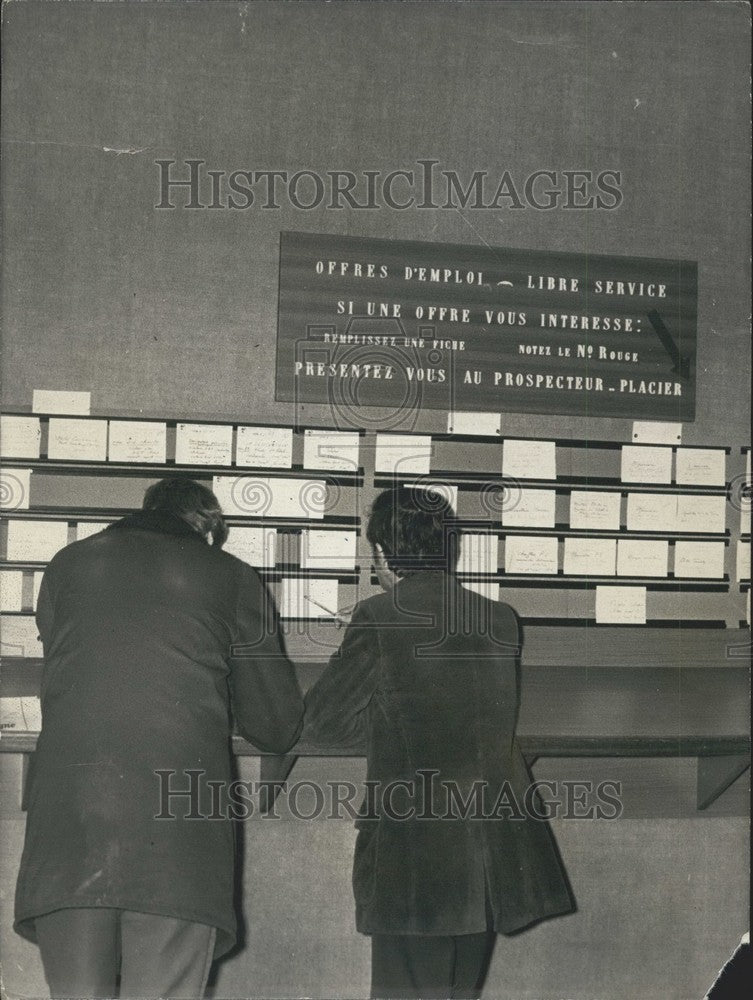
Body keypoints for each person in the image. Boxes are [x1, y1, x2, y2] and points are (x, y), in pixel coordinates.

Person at [14, 477, 304, 999]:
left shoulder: (66, 565)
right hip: (177, 838)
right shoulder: (232, 576)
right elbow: (276, 725)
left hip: (69, 830)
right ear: (206, 527)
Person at [302, 486, 575, 1000]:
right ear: (449, 548)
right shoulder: (500, 619)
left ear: (381, 552)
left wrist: (361, 654)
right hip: (492, 848)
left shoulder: (376, 616)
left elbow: (322, 726)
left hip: (415, 850)